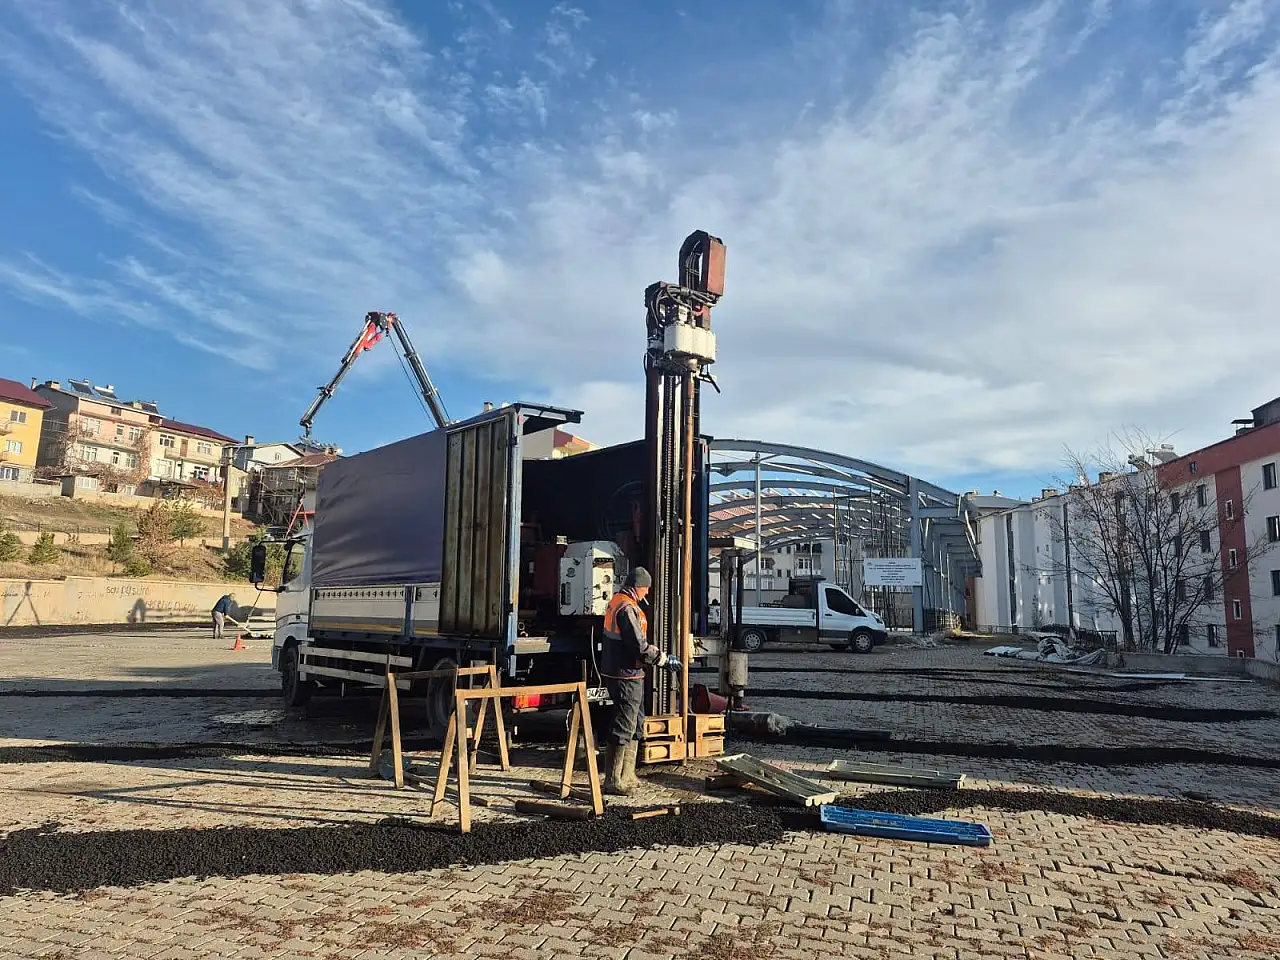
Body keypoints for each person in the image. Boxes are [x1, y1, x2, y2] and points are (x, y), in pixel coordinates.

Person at [599, 567, 680, 796]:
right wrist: (663, 659)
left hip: (629, 673)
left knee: (636, 722)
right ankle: (613, 780)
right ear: (638, 587)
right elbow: (638, 646)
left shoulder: (618, 602)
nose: (647, 593)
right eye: (646, 589)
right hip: (625, 674)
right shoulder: (626, 608)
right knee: (625, 724)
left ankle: (627, 774)